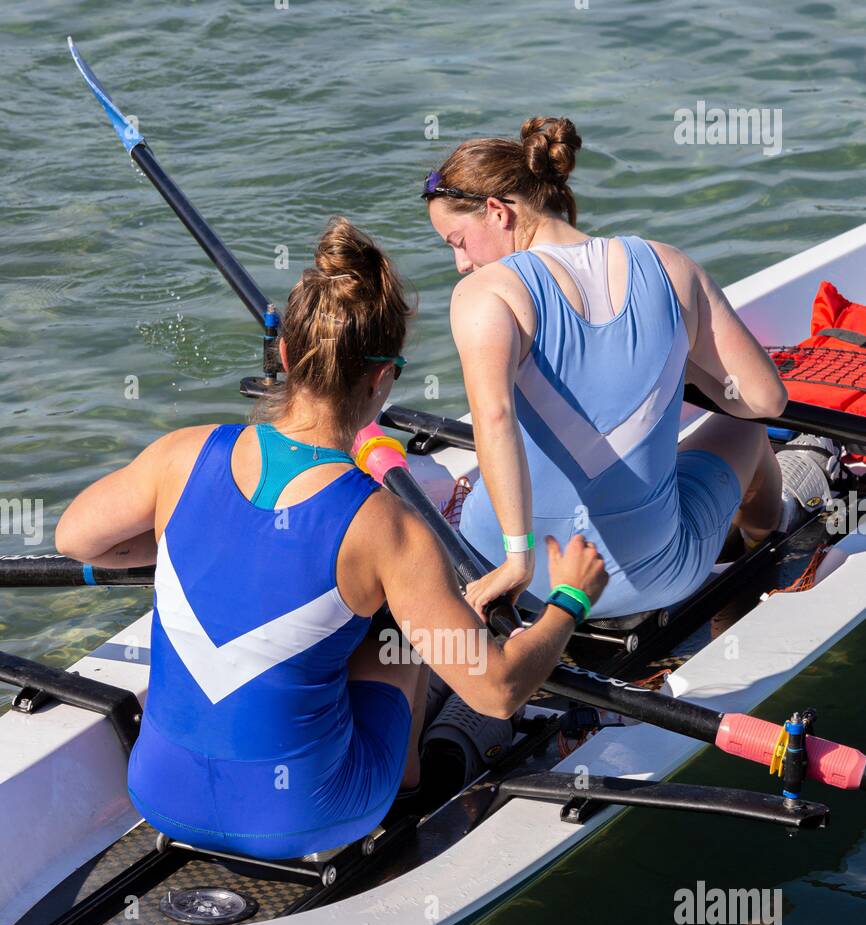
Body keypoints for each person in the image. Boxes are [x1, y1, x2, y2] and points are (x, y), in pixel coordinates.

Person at [56, 217, 607, 861]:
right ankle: (407, 789)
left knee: (343, 623)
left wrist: (197, 536)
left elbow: (77, 539)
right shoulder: (388, 527)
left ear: (285, 357)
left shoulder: (180, 455)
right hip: (306, 816)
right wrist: (572, 596)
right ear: (382, 380)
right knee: (397, 636)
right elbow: (499, 689)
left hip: (157, 795)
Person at [422, 116, 836, 620]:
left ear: (496, 212)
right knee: (748, 434)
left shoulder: (485, 294)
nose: (462, 264)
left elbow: (495, 420)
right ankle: (764, 545)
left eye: (457, 242)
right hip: (648, 578)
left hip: (503, 571)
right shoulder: (669, 265)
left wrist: (517, 562)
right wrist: (671, 365)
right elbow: (764, 400)